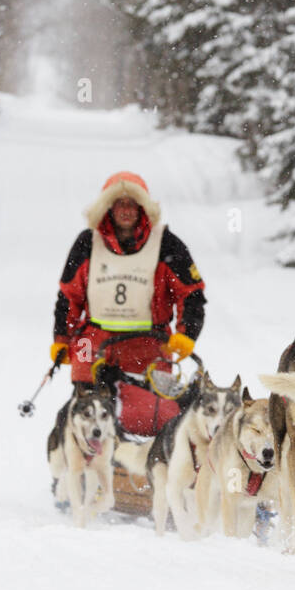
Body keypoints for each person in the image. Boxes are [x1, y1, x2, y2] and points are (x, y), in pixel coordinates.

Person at [50, 171, 206, 435]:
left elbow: (191, 294)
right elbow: (68, 296)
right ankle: (85, 461)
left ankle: (147, 463)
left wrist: (186, 335)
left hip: (149, 340)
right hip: (91, 338)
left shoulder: (167, 244)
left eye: (131, 203)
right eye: (119, 203)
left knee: (152, 415)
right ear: (108, 207)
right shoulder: (87, 243)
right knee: (87, 402)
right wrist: (61, 340)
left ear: (143, 207)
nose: (125, 210)